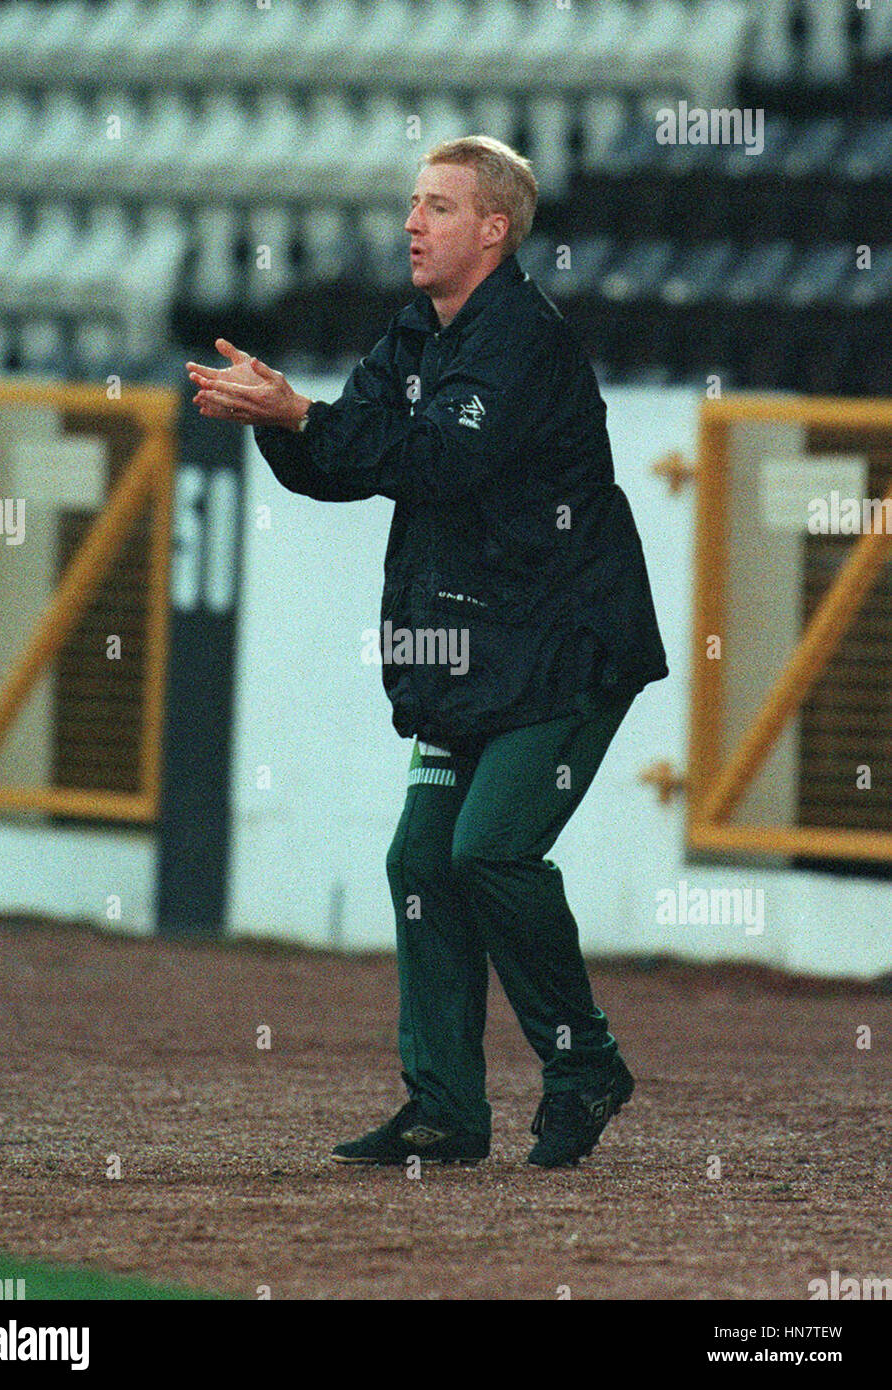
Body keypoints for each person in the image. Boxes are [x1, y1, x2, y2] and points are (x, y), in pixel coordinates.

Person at [186, 135, 669, 1169]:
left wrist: (305, 412)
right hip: (475, 650)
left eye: (439, 207)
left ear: (494, 229)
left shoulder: (520, 341)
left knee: (487, 846)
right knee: (422, 858)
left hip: (569, 642)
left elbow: (439, 458)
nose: (412, 223)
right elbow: (344, 461)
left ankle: (585, 1065)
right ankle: (448, 1106)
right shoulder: (417, 331)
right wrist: (283, 419)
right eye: (413, 204)